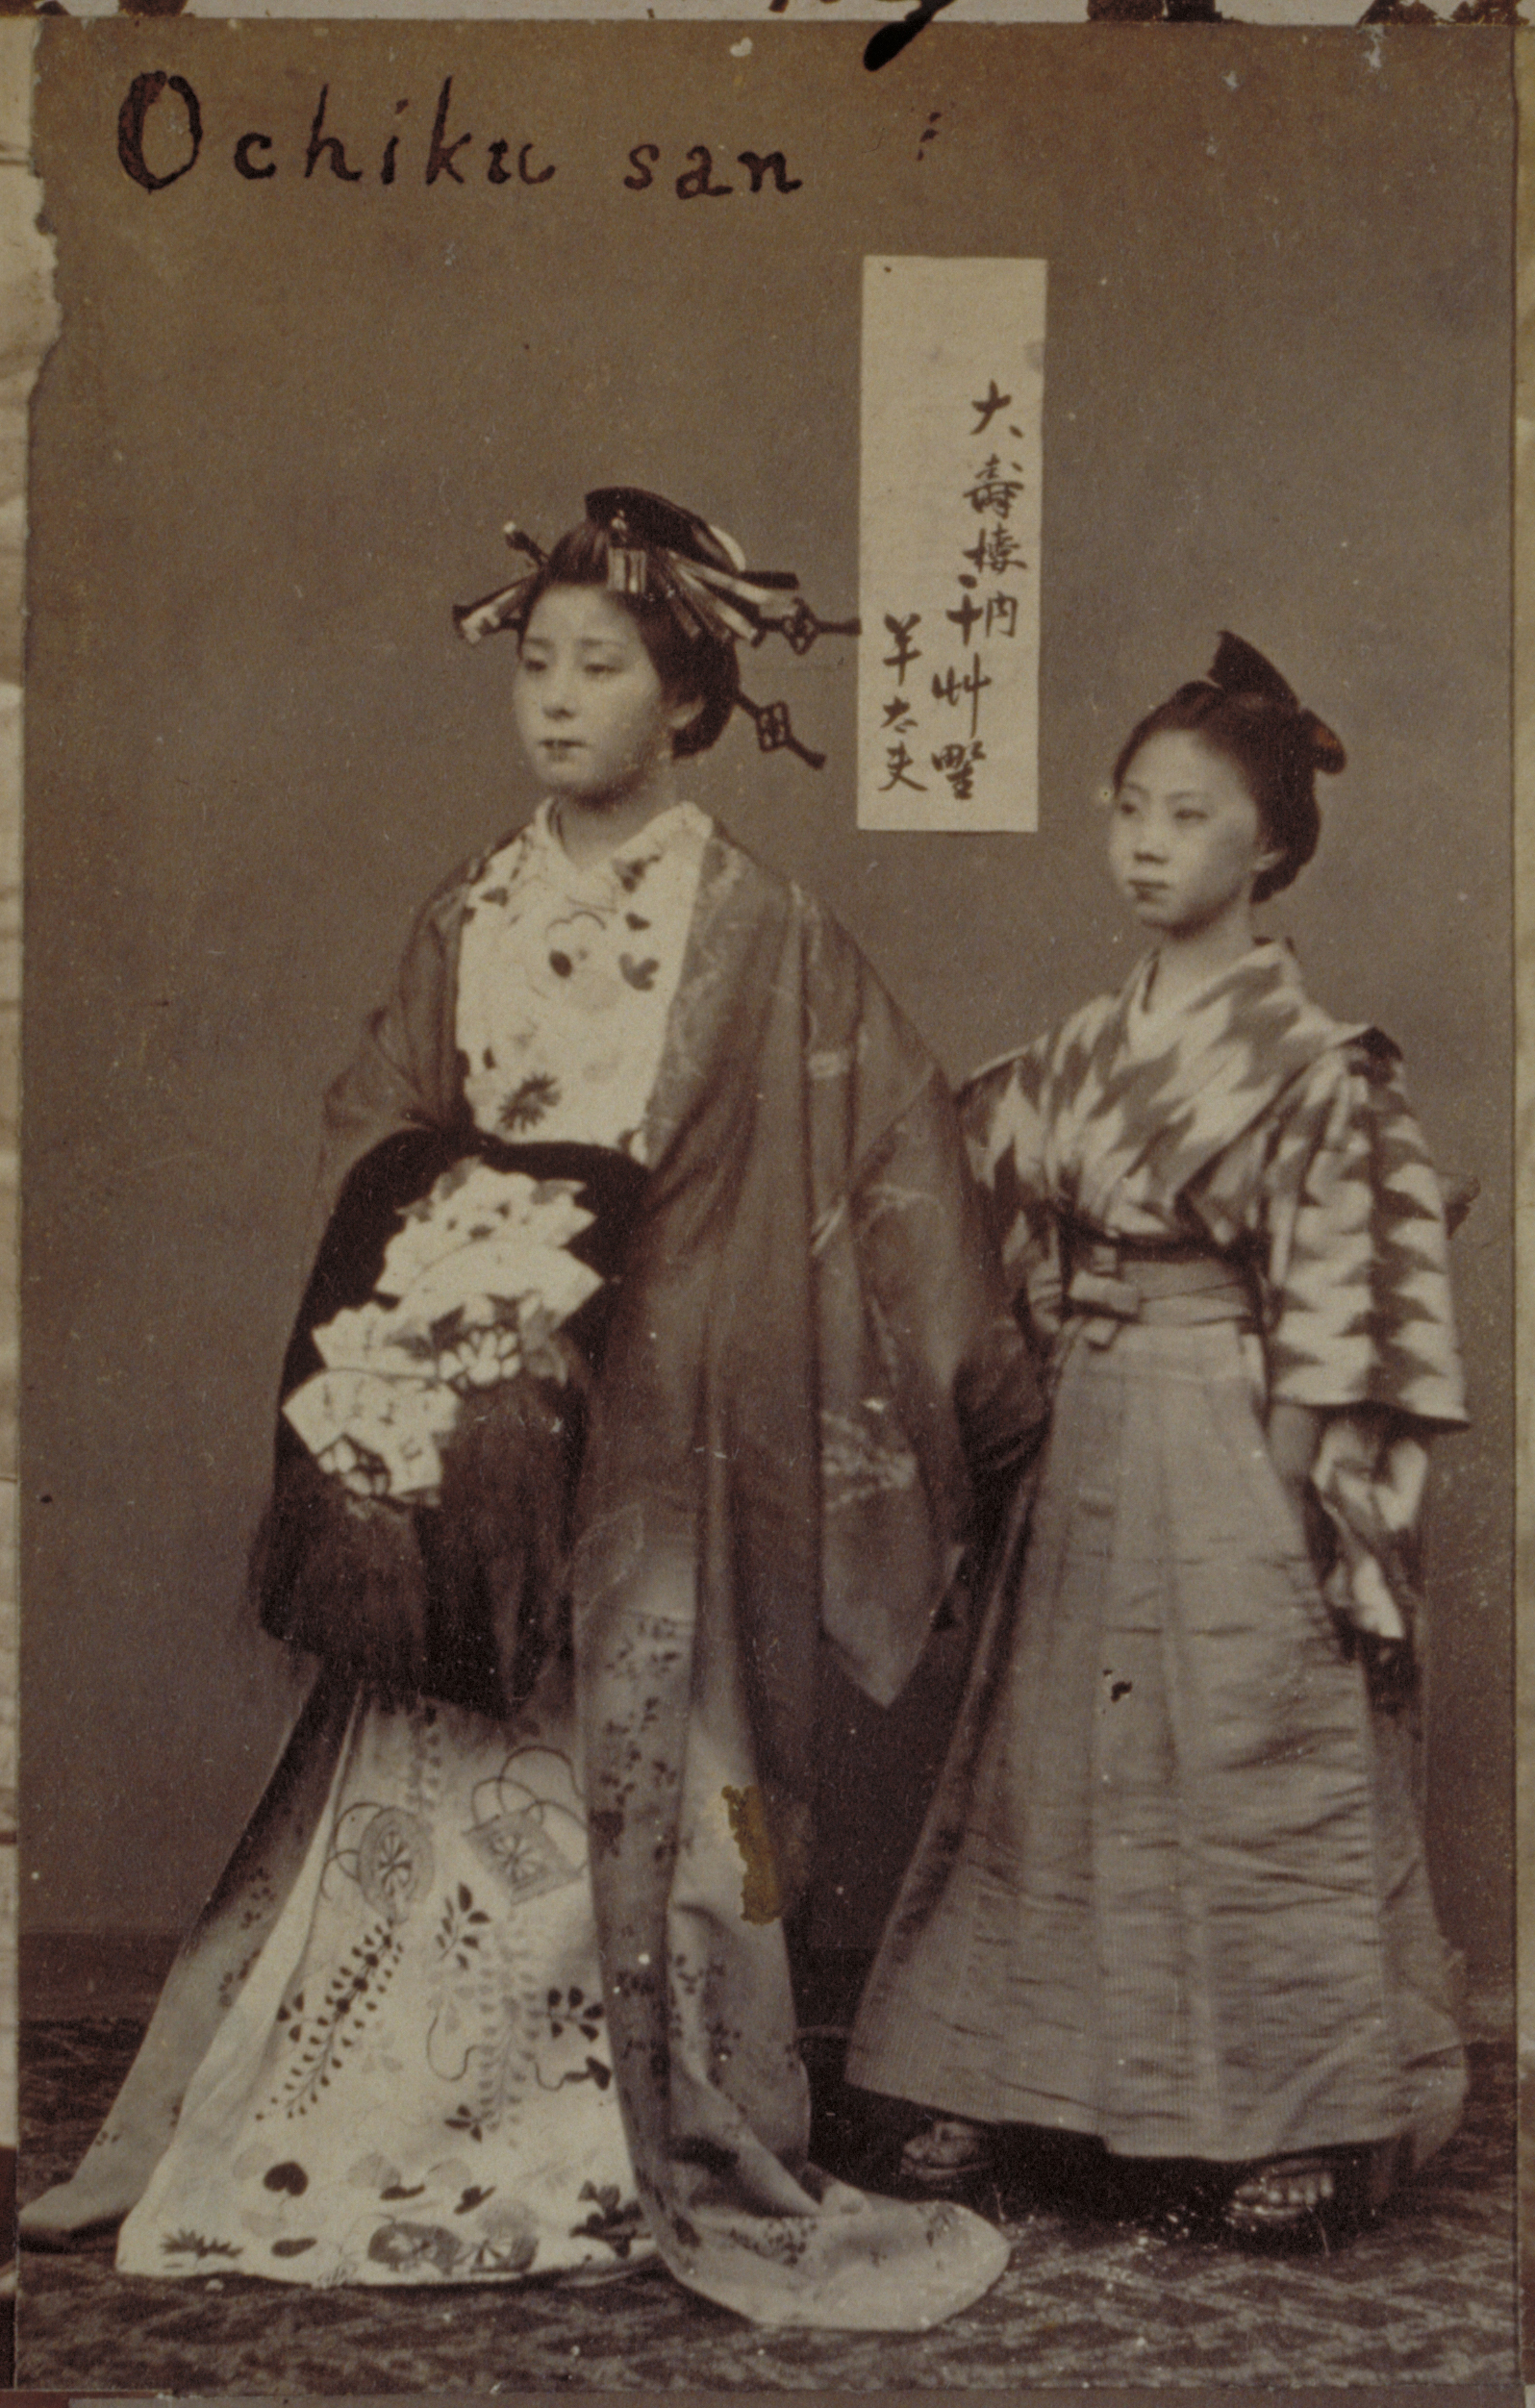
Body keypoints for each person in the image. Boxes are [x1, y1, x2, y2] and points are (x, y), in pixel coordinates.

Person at [22, 489, 1044, 2327]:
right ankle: (374, 2110)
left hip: (657, 1452)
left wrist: (974, 1386)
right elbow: (375, 1120)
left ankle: (643, 2131)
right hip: (479, 1426)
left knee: (686, 1809)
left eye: (605, 669)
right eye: (537, 666)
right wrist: (446, 1263)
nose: (558, 701)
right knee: (425, 1759)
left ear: (694, 704)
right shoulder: (472, 911)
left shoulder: (758, 926)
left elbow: (884, 1151)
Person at [845, 634, 1470, 2244]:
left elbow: (1346, 1292)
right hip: (1092, 1425)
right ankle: (1020, 2087)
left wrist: (1300, 1499)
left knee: (1253, 1754)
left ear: (1268, 845)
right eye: (1129, 808)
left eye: (1186, 817)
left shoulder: (1322, 1072)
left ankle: (1299, 2117)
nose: (1145, 843)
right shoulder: (1076, 1048)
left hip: (1240, 1426)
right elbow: (970, 1211)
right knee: (1050, 1762)